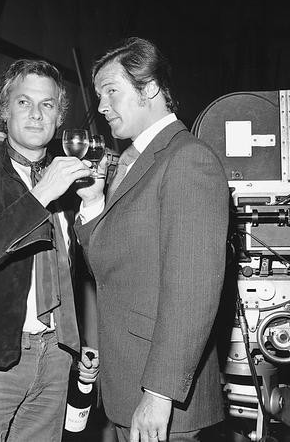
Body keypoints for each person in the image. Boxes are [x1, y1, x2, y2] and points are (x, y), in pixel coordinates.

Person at [75, 37, 229, 442]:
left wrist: (159, 394)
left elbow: (193, 291)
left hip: (161, 399)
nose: (102, 106)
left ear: (151, 89)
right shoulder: (136, 162)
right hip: (128, 384)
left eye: (111, 91)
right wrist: (93, 204)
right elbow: (110, 264)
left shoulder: (187, 159)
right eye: (99, 95)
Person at [0, 58, 99, 442]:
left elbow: (87, 274)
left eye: (47, 104)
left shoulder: (70, 184)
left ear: (59, 117)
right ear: (5, 111)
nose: (35, 113)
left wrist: (94, 203)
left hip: (56, 356)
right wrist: (40, 195)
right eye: (24, 102)